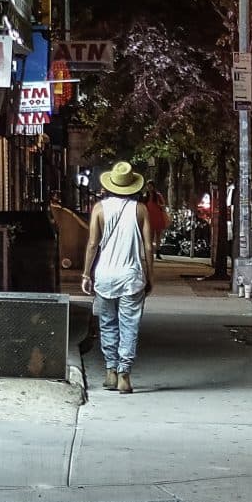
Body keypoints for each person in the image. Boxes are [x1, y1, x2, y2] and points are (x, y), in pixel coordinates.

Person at [81, 161, 153, 395]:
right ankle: (124, 374)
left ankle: (110, 371)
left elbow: (93, 244)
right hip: (131, 276)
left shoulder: (99, 209)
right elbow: (148, 247)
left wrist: (86, 273)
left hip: (105, 276)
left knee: (107, 324)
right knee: (129, 325)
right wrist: (149, 275)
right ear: (132, 186)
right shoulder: (140, 210)